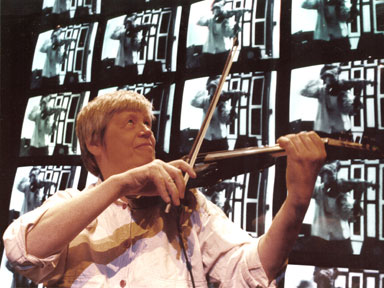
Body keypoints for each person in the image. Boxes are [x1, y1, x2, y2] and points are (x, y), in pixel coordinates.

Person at [3, 90, 326, 287]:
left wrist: (296, 203)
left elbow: (249, 272)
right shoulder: (71, 205)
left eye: (148, 124)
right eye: (131, 122)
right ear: (94, 142)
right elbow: (22, 252)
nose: (146, 132)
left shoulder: (185, 205)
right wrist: (121, 183)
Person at [305, 161, 377, 255]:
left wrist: (358, 198)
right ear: (323, 177)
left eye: (332, 173)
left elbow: (349, 216)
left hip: (340, 240)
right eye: (326, 174)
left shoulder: (343, 194)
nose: (329, 176)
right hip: (320, 237)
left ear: (336, 175)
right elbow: (304, 189)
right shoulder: (318, 190)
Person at [300, 64, 374, 135]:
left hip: (341, 131)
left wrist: (358, 94)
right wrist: (319, 78)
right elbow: (303, 91)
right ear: (324, 77)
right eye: (328, 75)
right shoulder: (320, 90)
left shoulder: (344, 92)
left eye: (334, 75)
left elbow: (350, 110)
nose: (332, 78)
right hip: (323, 130)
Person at [190, 76, 247, 152]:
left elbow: (225, 120)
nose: (214, 89)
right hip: (205, 139)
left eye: (217, 86)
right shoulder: (205, 100)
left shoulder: (223, 103)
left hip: (220, 141)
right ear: (209, 88)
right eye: (212, 86)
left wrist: (228, 106)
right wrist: (205, 88)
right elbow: (193, 102)